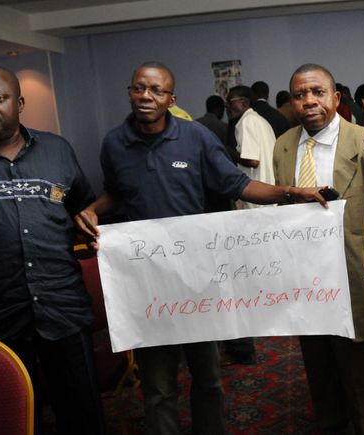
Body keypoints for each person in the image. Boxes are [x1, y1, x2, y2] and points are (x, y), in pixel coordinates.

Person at [74, 61, 325, 435]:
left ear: (171, 99)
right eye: (139, 88)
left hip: (196, 283)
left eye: (157, 91)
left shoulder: (196, 138)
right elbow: (118, 192)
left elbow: (238, 184)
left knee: (207, 379)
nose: (146, 96)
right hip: (146, 286)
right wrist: (92, 209)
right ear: (129, 92)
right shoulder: (113, 143)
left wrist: (291, 193)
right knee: (158, 388)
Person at [0, 65, 105, 435]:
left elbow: (83, 207)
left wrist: (89, 215)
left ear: (19, 103)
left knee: (83, 414)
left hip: (63, 310)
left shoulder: (57, 149)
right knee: (6, 420)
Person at [272, 63, 364, 435]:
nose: (309, 101)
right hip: (308, 289)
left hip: (358, 287)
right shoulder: (284, 145)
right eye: (300, 94)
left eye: (318, 92)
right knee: (322, 384)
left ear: (336, 98)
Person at [226, 85, 277, 210]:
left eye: (230, 102)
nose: (227, 107)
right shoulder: (260, 120)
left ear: (244, 103)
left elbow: (252, 161)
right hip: (270, 192)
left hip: (257, 197)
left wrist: (227, 150)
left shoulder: (247, 121)